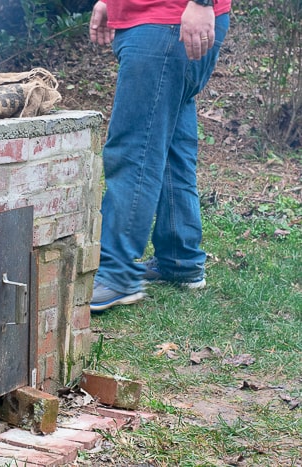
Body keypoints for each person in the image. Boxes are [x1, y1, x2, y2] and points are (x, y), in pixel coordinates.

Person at [88, 0, 232, 312]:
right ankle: (180, 258)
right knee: (170, 146)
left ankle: (117, 274)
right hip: (158, 21)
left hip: (170, 21)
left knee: (133, 148)